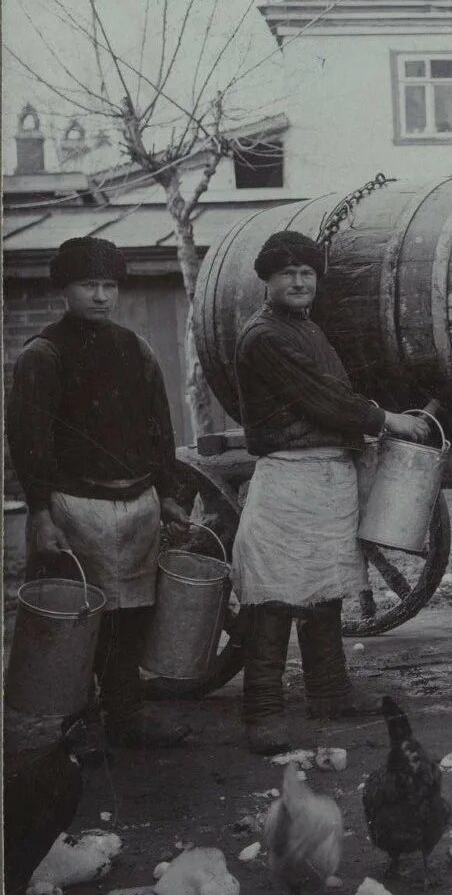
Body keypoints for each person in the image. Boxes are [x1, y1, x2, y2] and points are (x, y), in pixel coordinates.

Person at [232, 229, 429, 754]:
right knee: (274, 595)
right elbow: (324, 400)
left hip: (324, 474)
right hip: (290, 477)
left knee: (324, 589)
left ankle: (329, 692)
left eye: (306, 274)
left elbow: (337, 393)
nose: (299, 282)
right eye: (287, 274)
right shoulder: (265, 336)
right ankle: (262, 712)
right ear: (267, 280)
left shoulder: (306, 330)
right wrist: (386, 420)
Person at [7, 236, 192, 749]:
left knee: (132, 615)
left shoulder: (136, 349)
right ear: (65, 289)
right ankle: (78, 723)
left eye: (109, 285)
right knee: (80, 617)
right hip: (75, 508)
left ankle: (127, 715)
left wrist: (167, 493)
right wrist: (42, 513)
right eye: (89, 285)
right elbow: (29, 444)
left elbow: (160, 428)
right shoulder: (42, 355)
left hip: (136, 506)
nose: (101, 296)